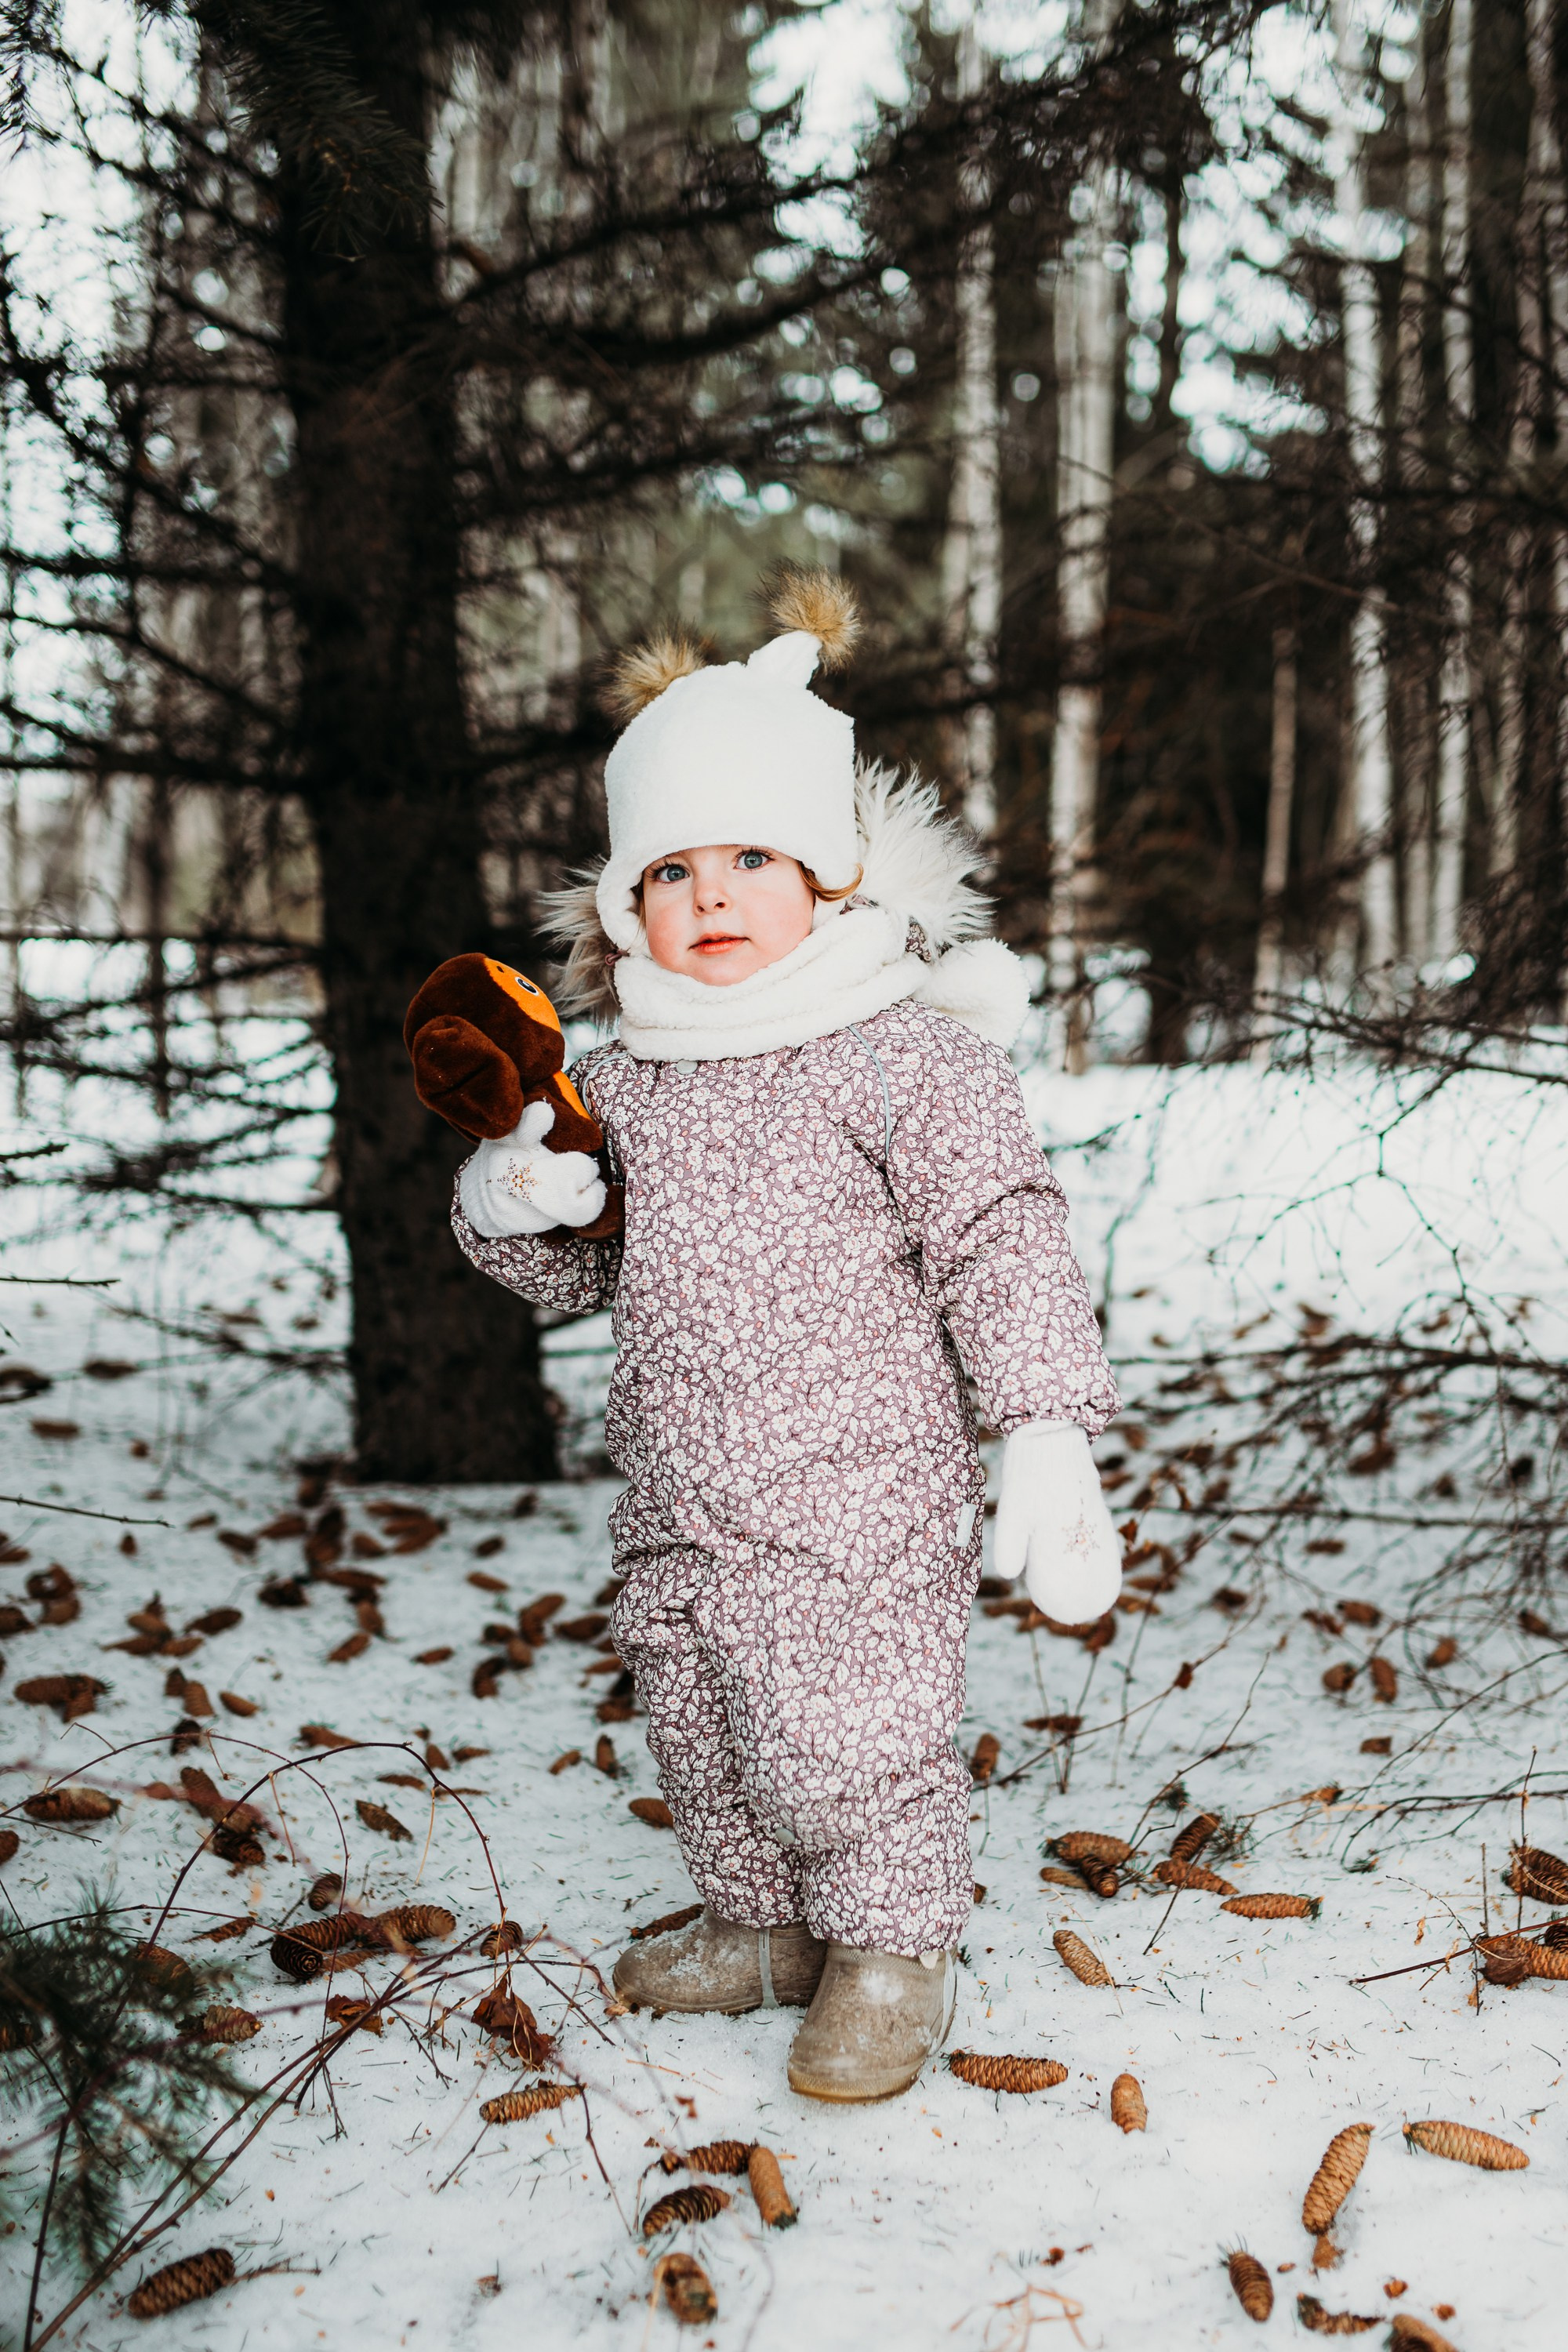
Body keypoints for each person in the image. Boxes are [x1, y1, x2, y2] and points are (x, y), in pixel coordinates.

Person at [451, 570, 1121, 2103]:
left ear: (827, 875)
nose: (711, 896)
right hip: (678, 1485)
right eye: (672, 870)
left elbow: (1001, 1234)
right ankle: (763, 1924)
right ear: (627, 906)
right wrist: (518, 1194)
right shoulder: (626, 1079)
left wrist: (1043, 1427)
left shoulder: (902, 1057)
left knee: (844, 1734)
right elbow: (569, 1274)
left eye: (751, 857)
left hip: (857, 1492)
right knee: (696, 1710)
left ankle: (888, 1948)